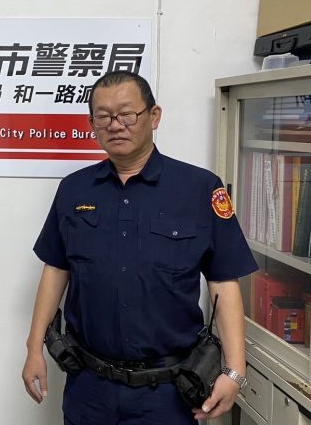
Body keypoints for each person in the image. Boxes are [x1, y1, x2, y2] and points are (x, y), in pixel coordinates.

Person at [21, 70, 257, 425]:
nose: (115, 125)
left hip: (168, 391)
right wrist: (33, 348)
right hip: (89, 386)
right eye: (103, 117)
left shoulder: (198, 188)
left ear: (154, 116)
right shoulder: (74, 190)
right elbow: (56, 270)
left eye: (127, 114)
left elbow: (223, 280)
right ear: (92, 124)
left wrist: (235, 369)